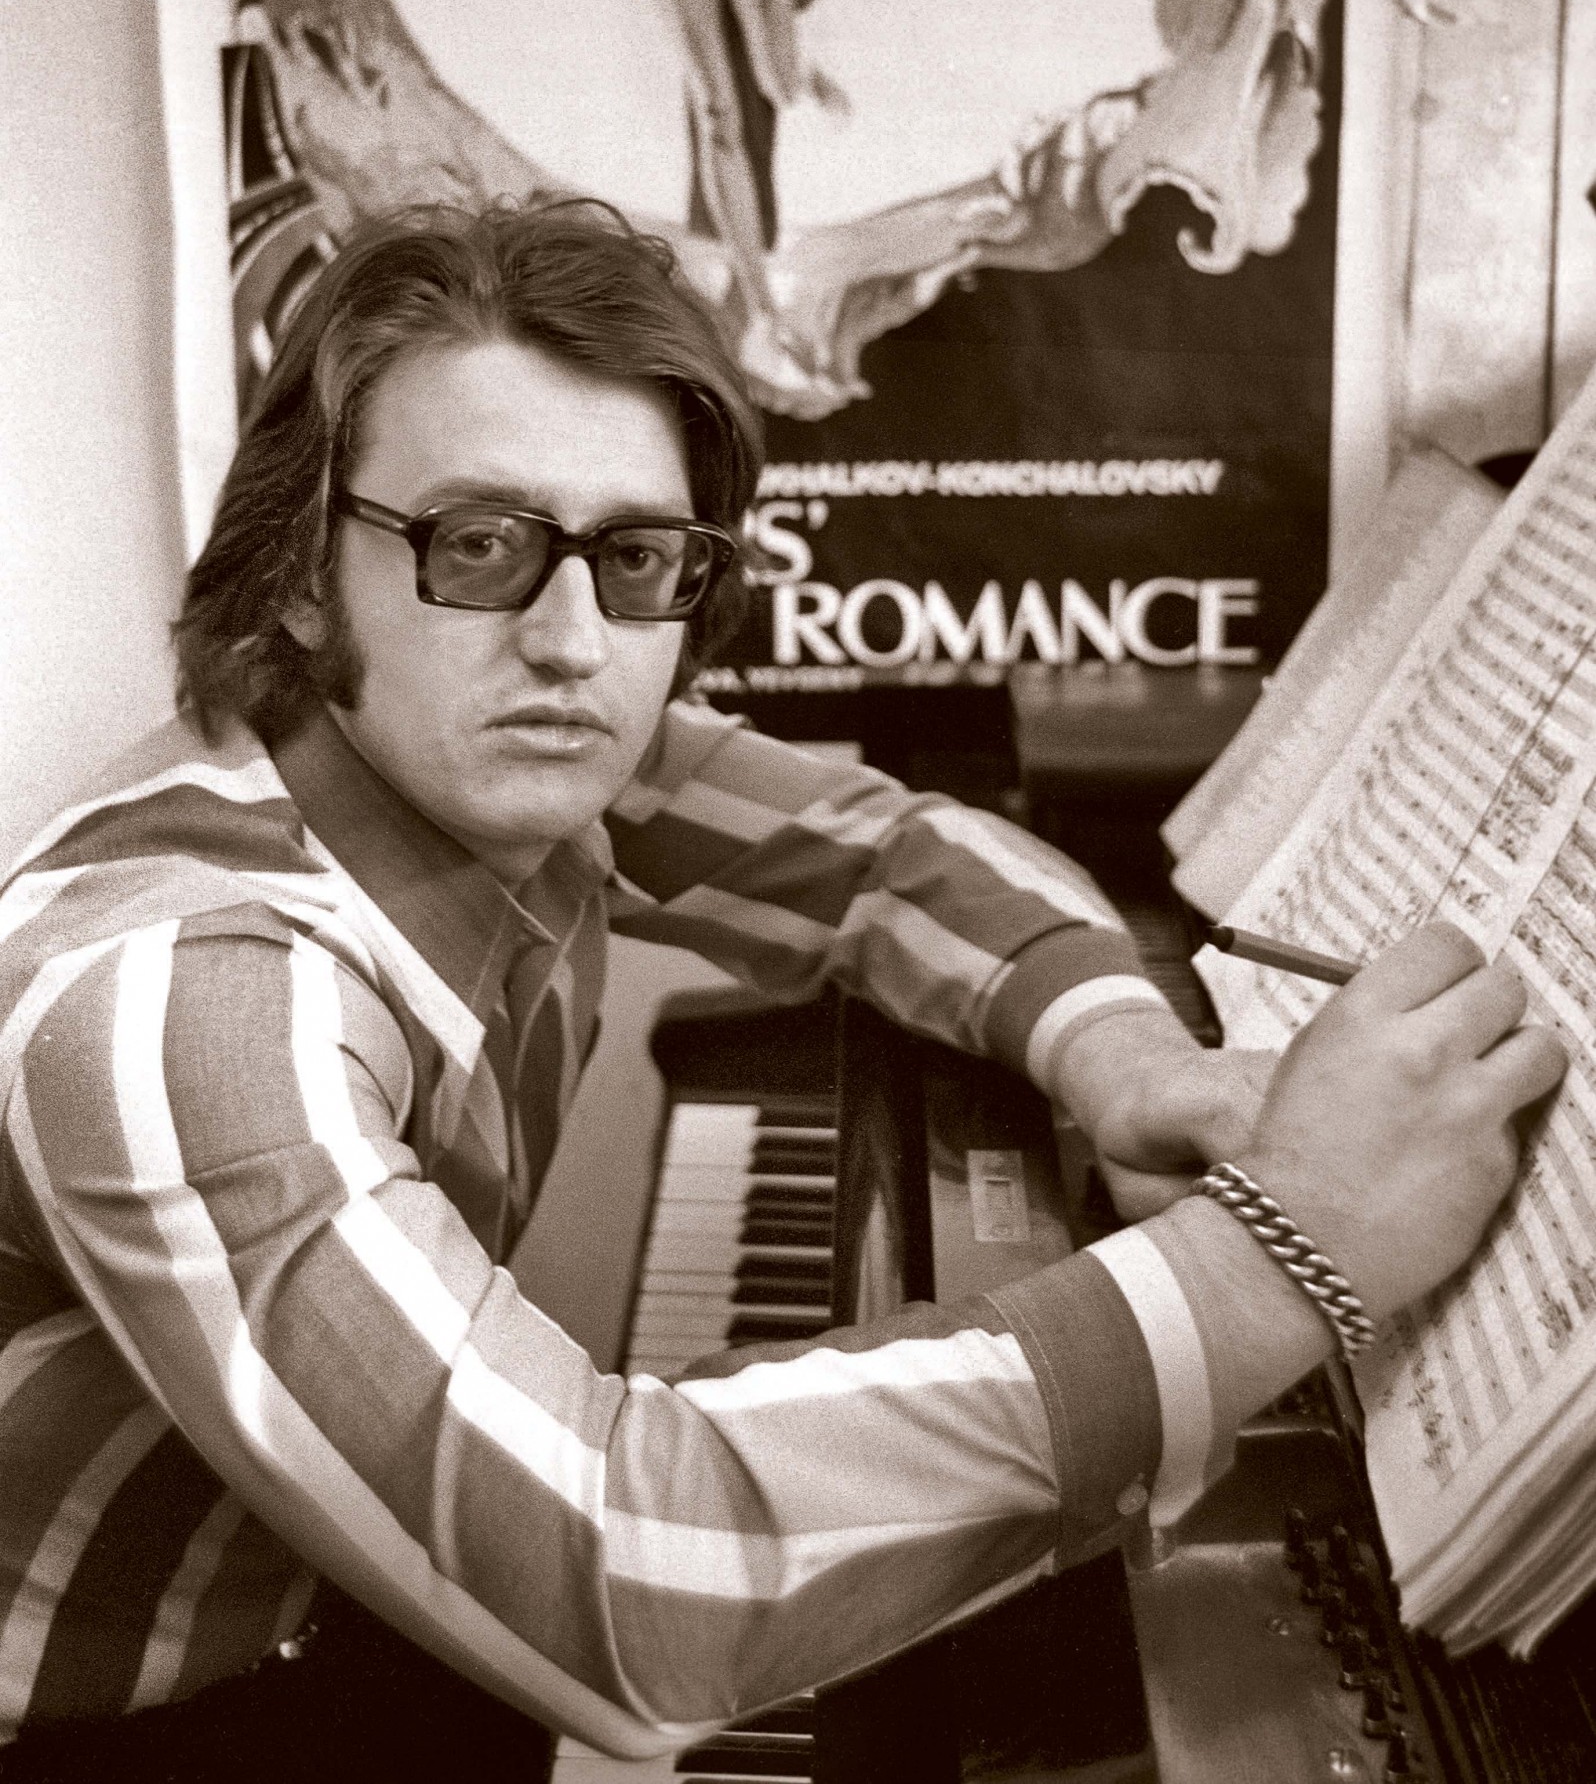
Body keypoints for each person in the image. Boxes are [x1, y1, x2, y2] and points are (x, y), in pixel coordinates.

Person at [0, 199, 1563, 1781]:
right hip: (123, 1726)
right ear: (299, 575)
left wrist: (1133, 1062)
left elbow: (892, 855)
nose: (571, 640)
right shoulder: (176, 1005)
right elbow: (616, 1569)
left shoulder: (504, 745)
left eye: (635, 557)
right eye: (478, 545)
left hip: (322, 1595)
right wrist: (1287, 1255)